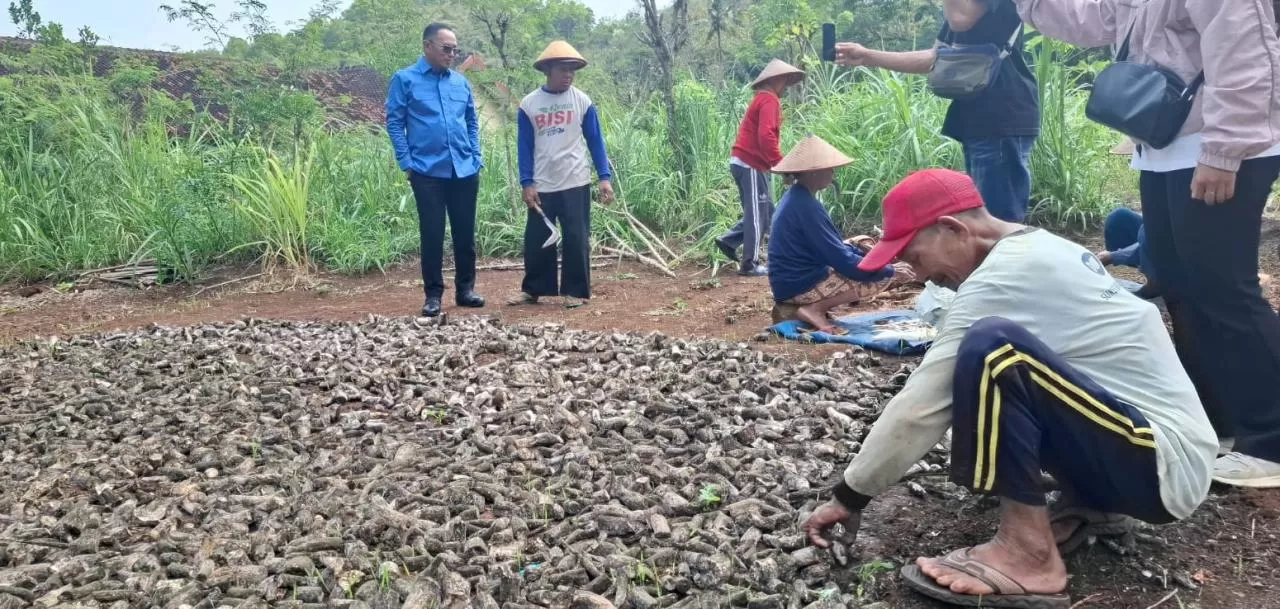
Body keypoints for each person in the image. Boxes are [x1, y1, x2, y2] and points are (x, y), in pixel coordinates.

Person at [802, 169, 1216, 608]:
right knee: (1014, 360)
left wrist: (850, 493)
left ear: (952, 229)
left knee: (992, 347)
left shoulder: (1003, 276)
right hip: (1155, 456)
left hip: (1160, 465)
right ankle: (1093, 502)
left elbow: (922, 403)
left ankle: (1027, 555)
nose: (923, 277)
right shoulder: (1044, 246)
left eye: (916, 258)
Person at [1009, 0, 1280, 488]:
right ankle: (1218, 423)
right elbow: (1088, 22)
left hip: (1214, 145)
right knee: (1177, 284)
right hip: (1163, 146)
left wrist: (1224, 150)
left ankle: (1271, 438)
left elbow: (1245, 54)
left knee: (1223, 288)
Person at [834, 0, 1040, 223]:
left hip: (1002, 116)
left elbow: (962, 19)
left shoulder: (982, 7)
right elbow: (934, 58)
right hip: (979, 121)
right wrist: (867, 56)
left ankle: (1002, 258)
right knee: (983, 219)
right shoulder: (958, 9)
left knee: (998, 220)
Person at [386, 22, 486, 318]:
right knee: (432, 233)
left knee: (465, 233)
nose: (452, 54)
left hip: (464, 169)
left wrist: (476, 156)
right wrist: (407, 164)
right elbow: (394, 122)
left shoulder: (460, 82)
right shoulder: (405, 79)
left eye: (455, 49)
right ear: (427, 46)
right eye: (447, 48)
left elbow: (470, 121)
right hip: (426, 171)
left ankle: (465, 290)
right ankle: (433, 295)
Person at [766, 135, 912, 333]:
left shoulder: (797, 199)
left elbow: (833, 247)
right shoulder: (806, 206)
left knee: (859, 247)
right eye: (829, 168)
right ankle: (814, 308)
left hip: (789, 279)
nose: (833, 173)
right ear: (813, 172)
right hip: (797, 284)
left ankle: (817, 306)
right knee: (880, 277)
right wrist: (888, 270)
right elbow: (840, 259)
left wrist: (870, 257)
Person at [509, 41, 614, 309]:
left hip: (575, 180)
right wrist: (526, 182)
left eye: (572, 70)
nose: (568, 75)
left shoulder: (582, 101)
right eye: (562, 69)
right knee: (537, 238)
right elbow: (524, 147)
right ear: (548, 70)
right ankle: (534, 289)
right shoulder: (529, 105)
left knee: (576, 236)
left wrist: (604, 177)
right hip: (542, 183)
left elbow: (595, 141)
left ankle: (575, 292)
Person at [715, 59, 806, 277]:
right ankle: (750, 264)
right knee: (758, 214)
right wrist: (781, 165)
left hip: (746, 162)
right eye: (785, 81)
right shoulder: (769, 100)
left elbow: (765, 137)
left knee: (764, 212)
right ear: (776, 80)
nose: (786, 87)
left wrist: (777, 165)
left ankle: (729, 240)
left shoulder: (763, 99)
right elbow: (766, 136)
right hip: (750, 163)